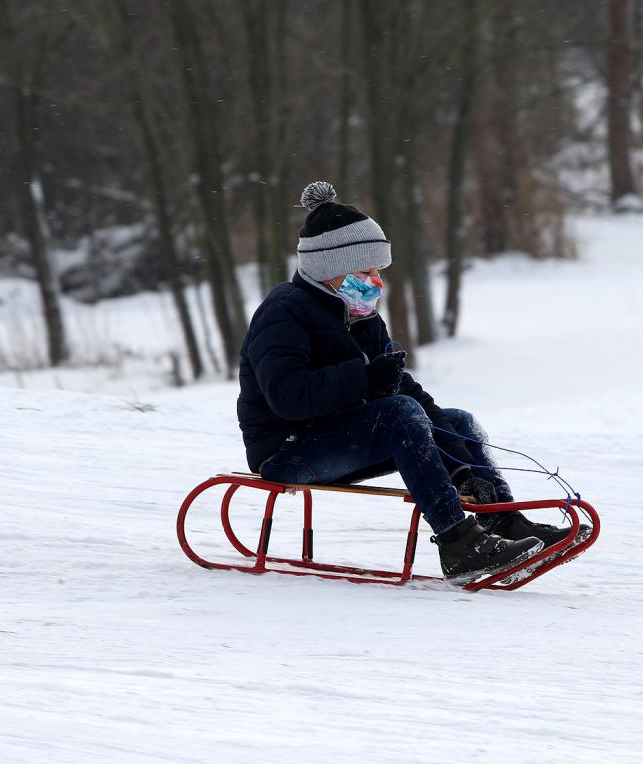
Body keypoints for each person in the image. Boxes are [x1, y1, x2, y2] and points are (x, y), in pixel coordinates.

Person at [237, 181, 577, 583]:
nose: (375, 281)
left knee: (457, 420)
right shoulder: (283, 312)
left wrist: (464, 468)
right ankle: (458, 543)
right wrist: (365, 381)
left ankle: (503, 521)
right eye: (365, 271)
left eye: (378, 271)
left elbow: (406, 392)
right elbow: (288, 399)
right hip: (287, 450)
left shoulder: (360, 314)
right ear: (330, 269)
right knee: (398, 414)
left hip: (337, 438)